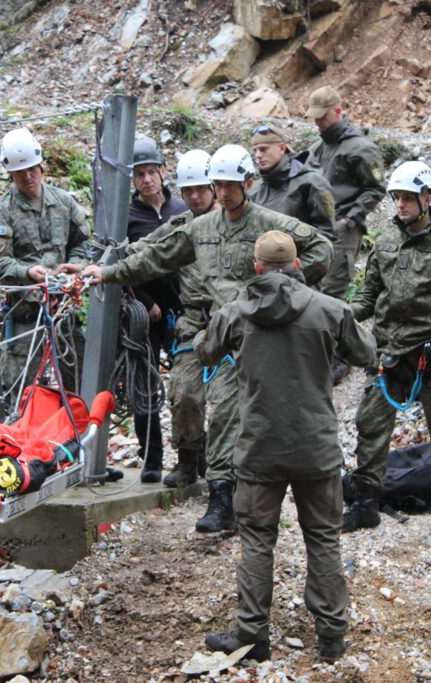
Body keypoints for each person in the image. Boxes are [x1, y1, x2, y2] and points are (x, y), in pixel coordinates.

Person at [83, 145, 333, 533]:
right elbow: (154, 256)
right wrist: (104, 273)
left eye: (231, 185)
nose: (223, 192)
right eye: (219, 185)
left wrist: (285, 288)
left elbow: (321, 247)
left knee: (228, 409)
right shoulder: (199, 229)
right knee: (186, 393)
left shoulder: (267, 224)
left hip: (252, 335)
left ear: (248, 184)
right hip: (209, 330)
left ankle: (223, 495)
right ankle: (204, 473)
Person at [195, 230, 376, 664]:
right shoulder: (331, 310)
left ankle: (253, 635)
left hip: (260, 449)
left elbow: (204, 353)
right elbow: (366, 353)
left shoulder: (235, 313)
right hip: (316, 449)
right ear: (297, 265)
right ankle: (331, 637)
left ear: (256, 267)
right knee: (323, 538)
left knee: (257, 540)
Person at [343, 161, 431, 537]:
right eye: (395, 197)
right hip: (387, 350)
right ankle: (365, 502)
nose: (399, 205)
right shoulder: (386, 240)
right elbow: (369, 294)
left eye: (406, 198)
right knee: (370, 424)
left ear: (427, 198)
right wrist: (340, 316)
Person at [125, 149, 217, 488]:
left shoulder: (238, 220)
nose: (194, 197)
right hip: (178, 318)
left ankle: (226, 468)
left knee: (232, 399)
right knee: (183, 392)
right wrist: (99, 269)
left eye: (201, 189)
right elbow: (139, 255)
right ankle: (184, 459)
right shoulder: (178, 224)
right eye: (188, 191)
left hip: (228, 320)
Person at [0, 127, 90, 403]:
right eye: (20, 172)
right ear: (10, 174)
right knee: (21, 395)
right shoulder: (1, 211)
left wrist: (75, 265)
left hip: (64, 315)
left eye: (32, 169)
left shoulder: (64, 202)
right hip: (24, 320)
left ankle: (74, 443)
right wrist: (27, 272)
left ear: (41, 165)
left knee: (77, 388)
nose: (28, 176)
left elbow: (84, 243)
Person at [300, 87, 386, 383]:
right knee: (311, 289)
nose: (318, 123)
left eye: (322, 117)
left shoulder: (360, 148)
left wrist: (350, 219)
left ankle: (340, 357)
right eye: (315, 118)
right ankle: (317, 352)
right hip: (316, 230)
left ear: (338, 110)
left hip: (343, 231)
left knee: (333, 292)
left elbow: (376, 188)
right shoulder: (318, 147)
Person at [124, 138, 187, 483]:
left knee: (185, 385)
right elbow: (121, 263)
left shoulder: (181, 209)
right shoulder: (128, 216)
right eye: (140, 174)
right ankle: (151, 458)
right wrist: (146, 302)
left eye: (152, 172)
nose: (148, 179)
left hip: (182, 308)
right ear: (132, 180)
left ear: (163, 172)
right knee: (144, 385)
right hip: (145, 312)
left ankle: (191, 456)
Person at [248, 123, 337, 243]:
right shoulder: (254, 189)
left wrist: (302, 261)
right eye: (255, 150)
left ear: (282, 148)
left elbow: (327, 235)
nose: (258, 155)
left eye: (264, 149)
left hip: (299, 259)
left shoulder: (313, 183)